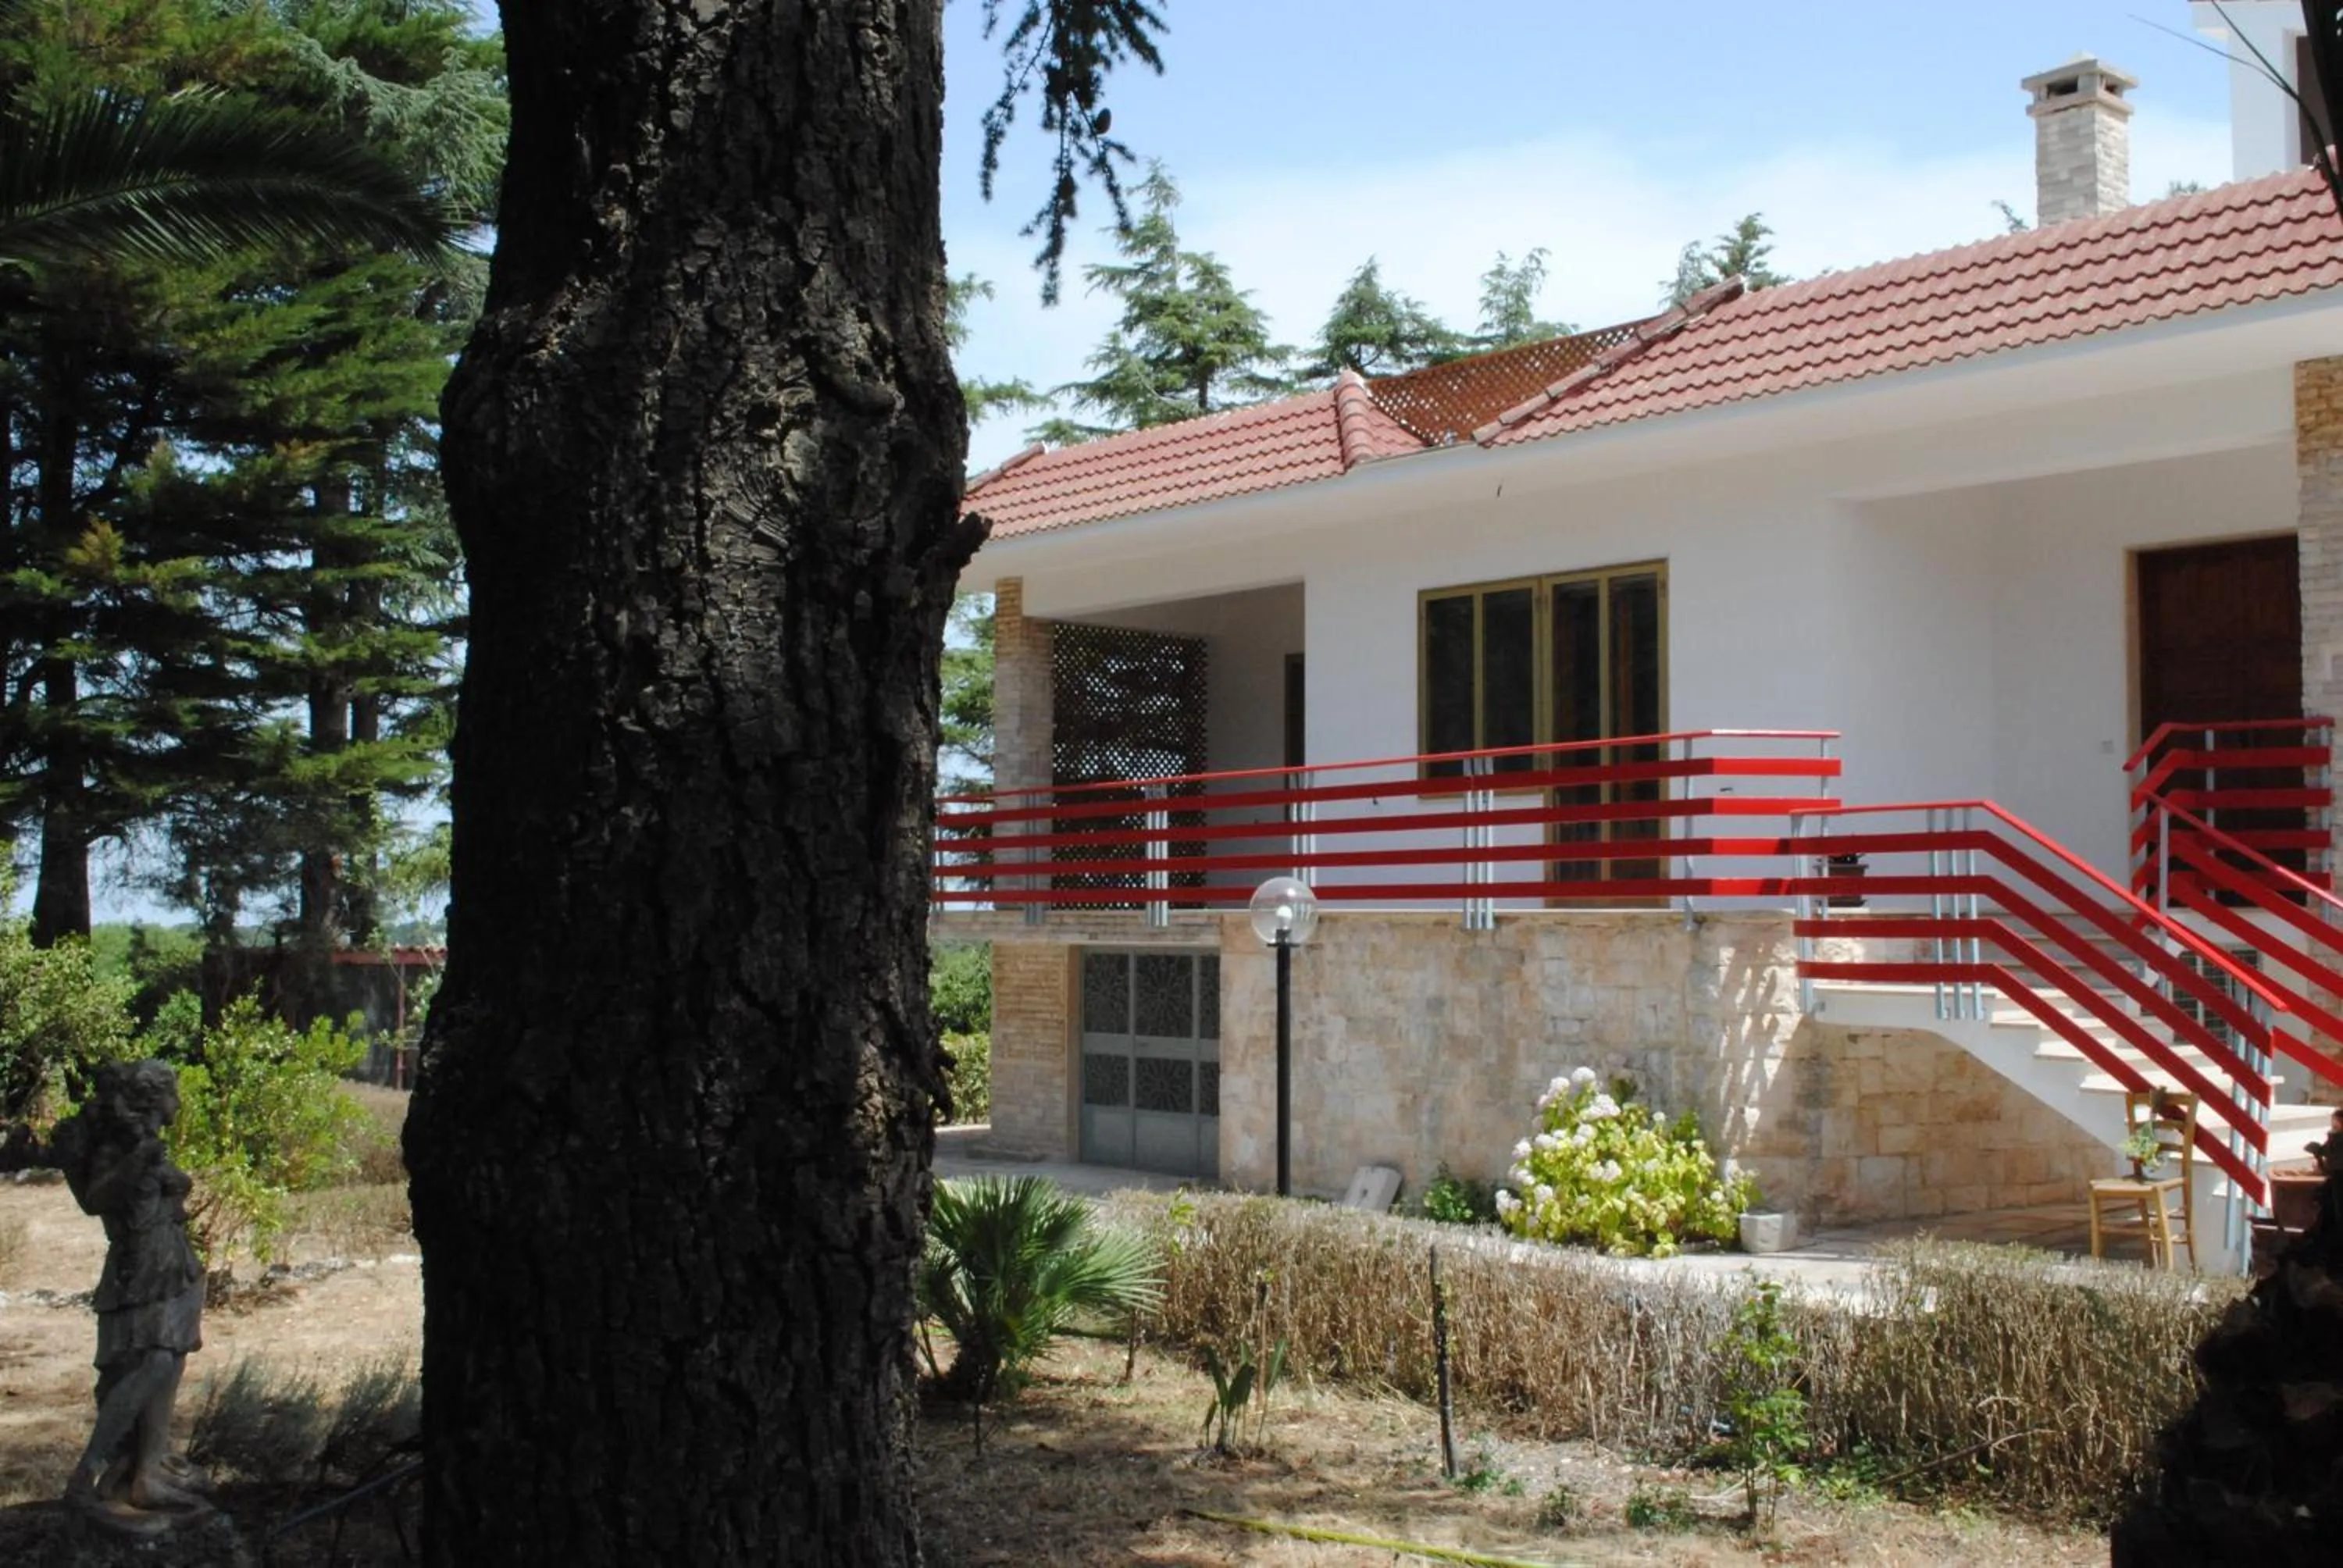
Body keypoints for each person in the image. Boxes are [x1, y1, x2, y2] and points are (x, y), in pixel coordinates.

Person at [48, 1060, 211, 1522]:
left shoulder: (143, 1144)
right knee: (150, 1363)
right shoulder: (125, 1149)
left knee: (168, 1361)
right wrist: (139, 1162)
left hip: (169, 1258)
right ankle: (91, 1471)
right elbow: (95, 1199)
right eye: (172, 1094)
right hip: (141, 1263)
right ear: (153, 1098)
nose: (178, 1103)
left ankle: (148, 1468)